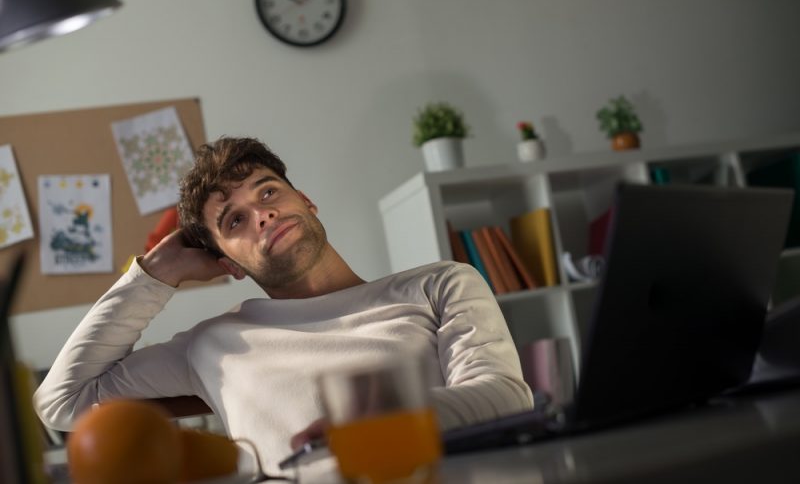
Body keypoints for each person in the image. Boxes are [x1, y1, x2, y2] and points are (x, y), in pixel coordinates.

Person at [33, 137, 533, 472]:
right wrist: (155, 276)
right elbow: (62, 402)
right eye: (234, 222)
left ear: (306, 201)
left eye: (267, 192)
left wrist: (373, 426)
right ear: (227, 262)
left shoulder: (441, 285)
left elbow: (506, 398)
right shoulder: (212, 345)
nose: (263, 214)